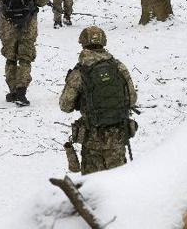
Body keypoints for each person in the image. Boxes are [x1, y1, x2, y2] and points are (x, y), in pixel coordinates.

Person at [59, 26, 138, 174]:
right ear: (104, 43)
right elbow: (132, 99)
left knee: (93, 189)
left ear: (82, 43)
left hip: (92, 140)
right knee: (119, 182)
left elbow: (65, 105)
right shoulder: (119, 67)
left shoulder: (80, 72)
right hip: (118, 137)